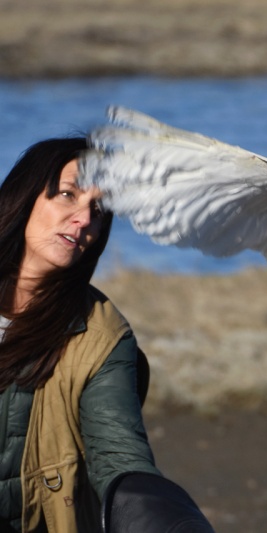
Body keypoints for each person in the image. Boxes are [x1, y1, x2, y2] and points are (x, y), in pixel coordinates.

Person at [0, 137, 214, 532]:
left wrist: (163, 520)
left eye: (98, 211)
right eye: (68, 195)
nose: (84, 220)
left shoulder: (101, 335)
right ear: (25, 195)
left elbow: (119, 454)